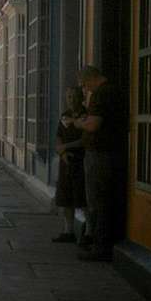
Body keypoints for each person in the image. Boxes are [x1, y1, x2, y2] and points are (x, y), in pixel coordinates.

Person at [73, 66, 124, 261]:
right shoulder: (113, 90)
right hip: (110, 152)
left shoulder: (101, 94)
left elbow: (93, 125)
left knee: (97, 200)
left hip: (100, 154)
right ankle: (100, 242)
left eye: (85, 85)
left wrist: (79, 123)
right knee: (103, 199)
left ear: (90, 79)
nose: (85, 89)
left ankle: (100, 246)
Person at [52, 86, 91, 245]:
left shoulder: (86, 116)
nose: (71, 100)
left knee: (83, 198)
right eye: (68, 97)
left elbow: (85, 140)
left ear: (80, 98)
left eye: (74, 96)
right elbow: (58, 137)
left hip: (81, 161)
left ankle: (89, 231)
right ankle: (68, 231)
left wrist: (66, 148)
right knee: (65, 198)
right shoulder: (65, 116)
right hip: (66, 162)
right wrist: (62, 153)